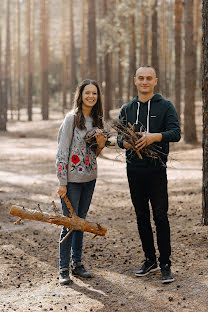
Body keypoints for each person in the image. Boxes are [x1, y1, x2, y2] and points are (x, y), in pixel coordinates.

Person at [117, 65, 181, 283]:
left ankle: (165, 263)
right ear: (135, 80)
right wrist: (126, 142)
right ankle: (149, 259)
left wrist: (154, 137)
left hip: (156, 170)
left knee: (160, 216)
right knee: (141, 216)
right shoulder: (127, 108)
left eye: (149, 78)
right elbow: (118, 138)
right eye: (141, 78)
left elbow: (176, 133)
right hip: (133, 170)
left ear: (156, 81)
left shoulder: (166, 106)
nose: (144, 82)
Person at [56, 79, 107, 285]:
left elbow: (94, 153)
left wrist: (101, 145)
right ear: (81, 95)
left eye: (94, 93)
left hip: (90, 179)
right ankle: (63, 268)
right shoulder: (71, 119)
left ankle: (77, 264)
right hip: (72, 180)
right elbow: (62, 151)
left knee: (81, 222)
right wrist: (62, 181)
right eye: (88, 93)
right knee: (69, 223)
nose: (91, 97)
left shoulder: (97, 121)